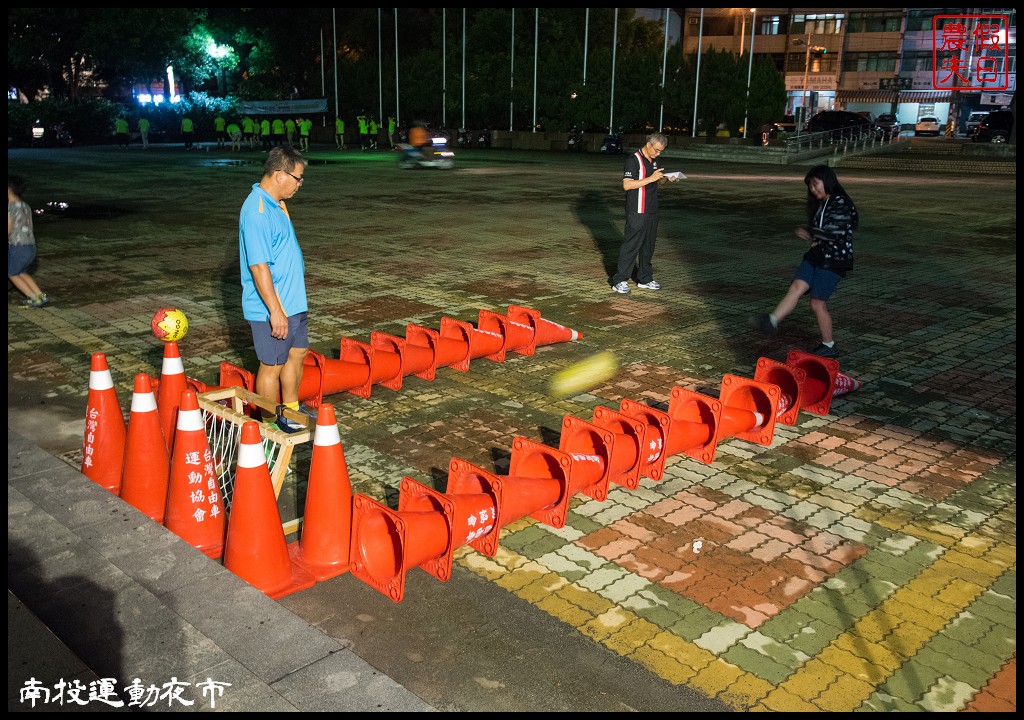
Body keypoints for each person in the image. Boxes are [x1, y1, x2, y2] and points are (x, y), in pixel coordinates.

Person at [751, 164, 858, 358]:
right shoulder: (821, 204)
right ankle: (772, 321)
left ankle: (829, 344)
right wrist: (812, 237)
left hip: (834, 259)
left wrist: (811, 233)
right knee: (796, 287)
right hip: (816, 256)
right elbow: (821, 232)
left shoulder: (841, 202)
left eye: (816, 184)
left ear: (827, 180)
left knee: (817, 303)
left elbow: (835, 232)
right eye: (810, 186)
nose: (813, 189)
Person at [238, 146, 311, 432]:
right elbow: (258, 267)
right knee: (271, 366)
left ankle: (291, 412)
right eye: (298, 178)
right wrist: (275, 312)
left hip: (294, 301)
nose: (300, 184)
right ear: (280, 174)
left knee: (298, 353)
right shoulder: (256, 212)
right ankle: (268, 426)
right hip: (274, 307)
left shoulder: (276, 203)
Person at [610, 132, 679, 295]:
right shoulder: (633, 161)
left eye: (661, 151)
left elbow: (658, 181)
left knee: (648, 246)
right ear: (648, 144)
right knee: (631, 245)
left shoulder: (654, 161)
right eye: (656, 150)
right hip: (637, 210)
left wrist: (667, 179)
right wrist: (651, 178)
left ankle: (645, 278)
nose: (658, 153)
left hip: (652, 209)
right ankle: (619, 280)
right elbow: (627, 185)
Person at [8, 175, 50, 308]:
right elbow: (30, 226)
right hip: (30, 246)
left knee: (12, 274)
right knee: (21, 272)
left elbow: (8, 229)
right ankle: (40, 296)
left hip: (17, 246)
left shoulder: (10, 208)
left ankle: (33, 298)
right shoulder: (26, 206)